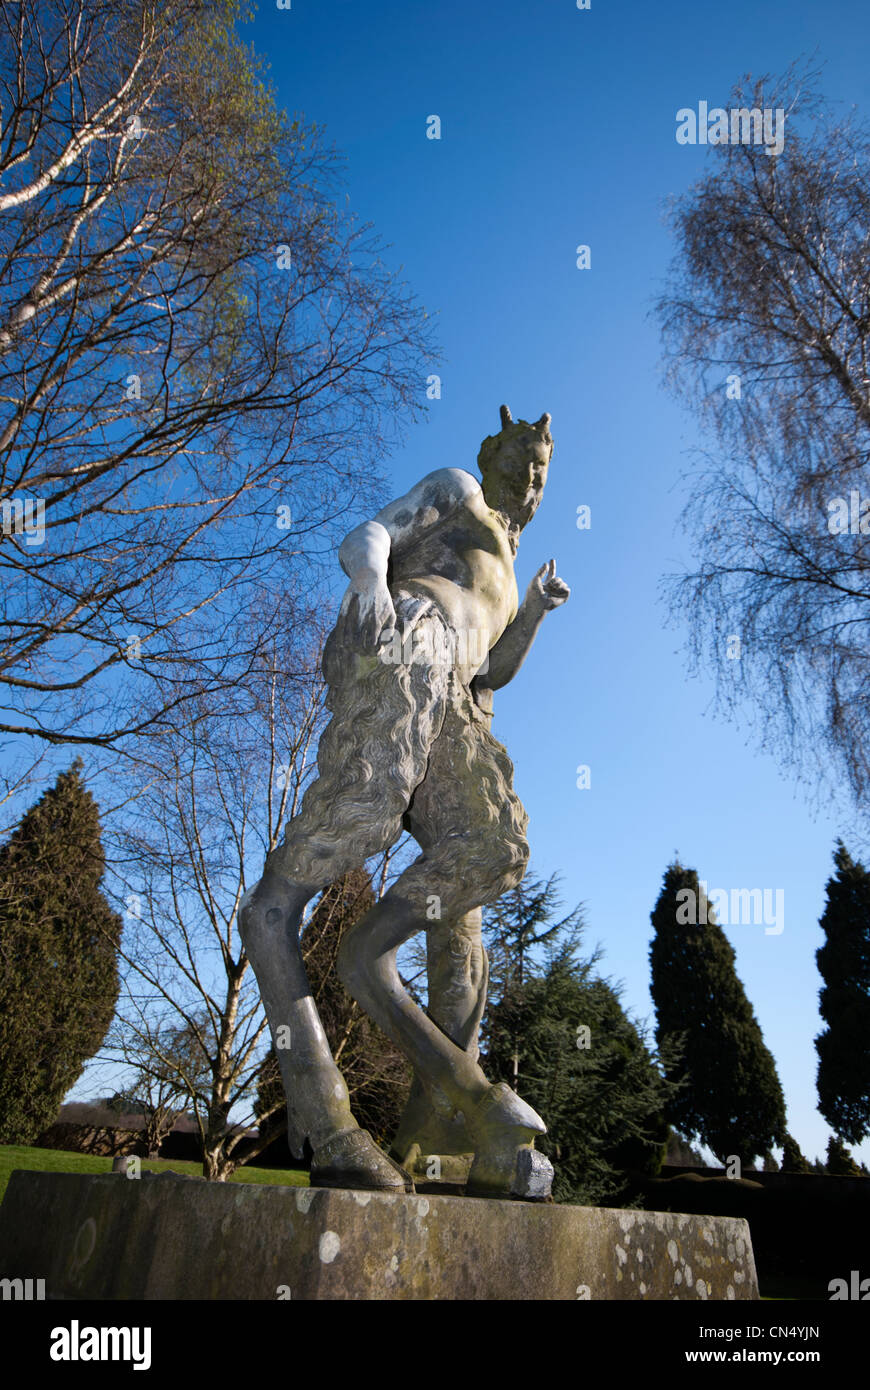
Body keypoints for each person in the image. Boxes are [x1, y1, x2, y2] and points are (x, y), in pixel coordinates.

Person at [240, 405, 570, 1196]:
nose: (533, 481)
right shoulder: (458, 492)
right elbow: (371, 536)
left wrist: (533, 612)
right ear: (491, 457)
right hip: (406, 646)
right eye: (523, 463)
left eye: (543, 473)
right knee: (343, 831)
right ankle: (326, 1118)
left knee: (490, 852)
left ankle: (380, 994)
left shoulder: (507, 558)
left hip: (461, 696)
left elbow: (494, 671)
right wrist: (369, 585)